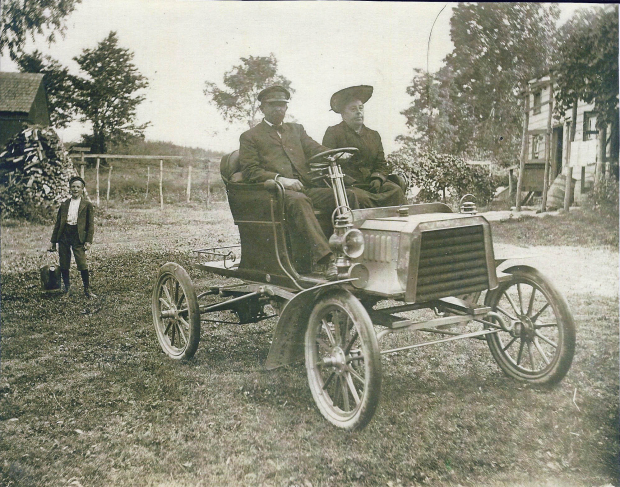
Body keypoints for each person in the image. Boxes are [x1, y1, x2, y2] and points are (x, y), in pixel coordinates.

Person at [239, 85, 358, 279]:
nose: (278, 109)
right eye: (273, 105)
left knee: (348, 196)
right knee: (299, 201)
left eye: (282, 105)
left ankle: (354, 251)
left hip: (306, 187)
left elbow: (315, 149)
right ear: (262, 108)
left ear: (286, 108)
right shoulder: (250, 137)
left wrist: (339, 154)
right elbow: (251, 171)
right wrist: (282, 180)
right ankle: (327, 260)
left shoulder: (296, 130)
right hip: (275, 194)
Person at [322, 85, 407, 208]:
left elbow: (381, 163)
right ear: (343, 114)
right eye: (353, 109)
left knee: (395, 191)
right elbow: (327, 161)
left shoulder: (373, 135)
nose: (358, 112)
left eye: (361, 108)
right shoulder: (333, 133)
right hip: (349, 184)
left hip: (372, 182)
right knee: (358, 197)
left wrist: (378, 178)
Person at [48, 176, 96, 298]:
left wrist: (88, 241)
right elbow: (58, 224)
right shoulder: (64, 204)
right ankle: (67, 289)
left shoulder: (87, 205)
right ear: (70, 188)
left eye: (78, 187)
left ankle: (87, 289)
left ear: (82, 189)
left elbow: (90, 225)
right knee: (64, 263)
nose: (75, 189)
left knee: (82, 263)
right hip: (64, 234)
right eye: (73, 186)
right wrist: (53, 241)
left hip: (78, 236)